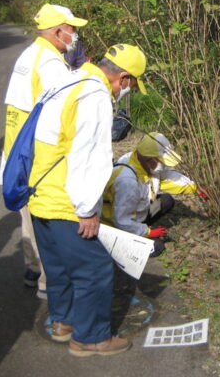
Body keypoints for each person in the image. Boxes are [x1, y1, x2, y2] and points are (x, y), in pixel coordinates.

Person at [29, 43, 146, 356]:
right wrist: (88, 210)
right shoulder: (95, 95)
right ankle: (91, 338)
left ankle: (63, 323)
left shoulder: (70, 79)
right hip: (66, 199)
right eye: (131, 84)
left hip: (40, 191)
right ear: (123, 78)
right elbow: (89, 156)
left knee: (59, 266)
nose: (127, 90)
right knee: (94, 268)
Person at [0, 3, 87, 297]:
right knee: (44, 218)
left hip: (16, 150)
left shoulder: (31, 53)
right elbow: (60, 112)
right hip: (34, 157)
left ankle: (33, 269)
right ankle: (50, 284)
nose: (75, 34)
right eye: (72, 28)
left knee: (28, 217)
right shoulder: (49, 63)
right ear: (58, 30)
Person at [101, 132, 205, 255]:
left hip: (136, 213)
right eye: (161, 161)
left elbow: (167, 178)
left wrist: (194, 188)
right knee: (156, 247)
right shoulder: (127, 181)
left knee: (166, 201)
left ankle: (139, 228)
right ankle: (113, 248)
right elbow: (122, 220)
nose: (163, 165)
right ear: (148, 158)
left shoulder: (143, 163)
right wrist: (147, 232)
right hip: (115, 227)